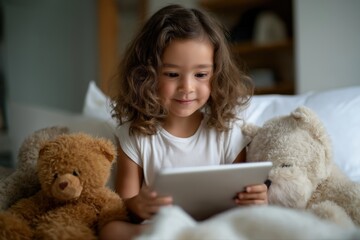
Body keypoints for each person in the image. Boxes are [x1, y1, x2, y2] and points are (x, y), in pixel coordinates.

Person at [99, 4, 268, 240]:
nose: (187, 88)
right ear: (146, 75)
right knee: (109, 230)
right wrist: (137, 205)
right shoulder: (135, 133)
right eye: (172, 74)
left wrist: (257, 199)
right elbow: (122, 206)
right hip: (159, 229)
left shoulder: (228, 131)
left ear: (216, 74)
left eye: (200, 75)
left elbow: (242, 196)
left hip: (215, 228)